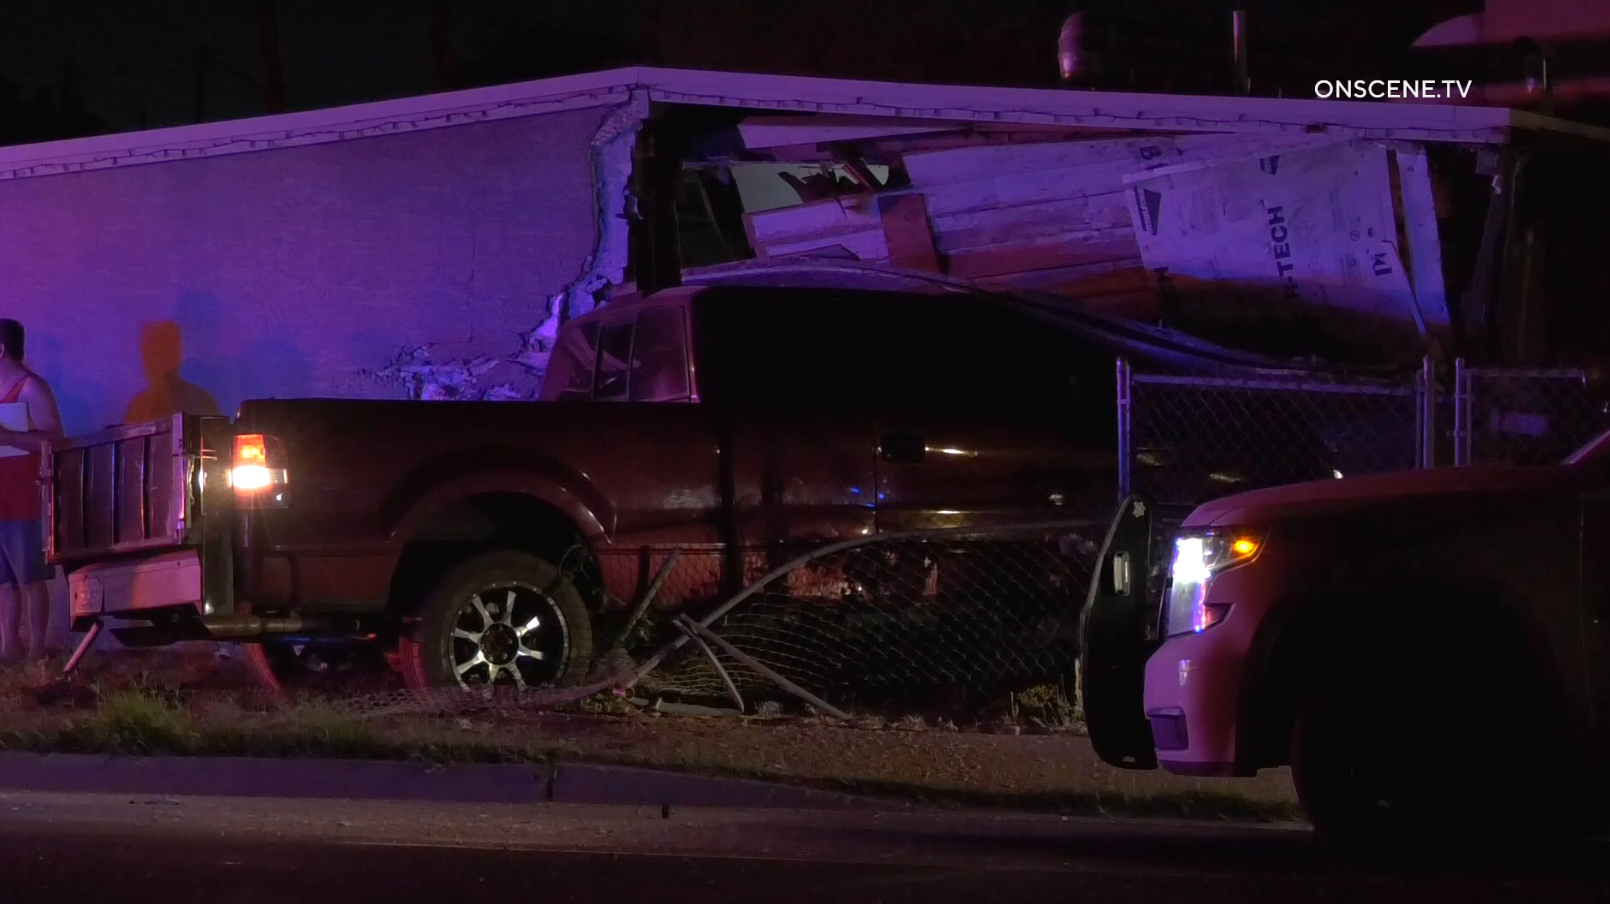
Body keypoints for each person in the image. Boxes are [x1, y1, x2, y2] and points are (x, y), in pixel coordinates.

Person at [0, 319, 62, 663]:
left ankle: (38, 648)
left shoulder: (30, 387)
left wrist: (9, 438)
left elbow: (55, 437)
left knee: (30, 578)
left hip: (25, 497)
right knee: (4, 582)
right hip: (0, 499)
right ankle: (9, 646)